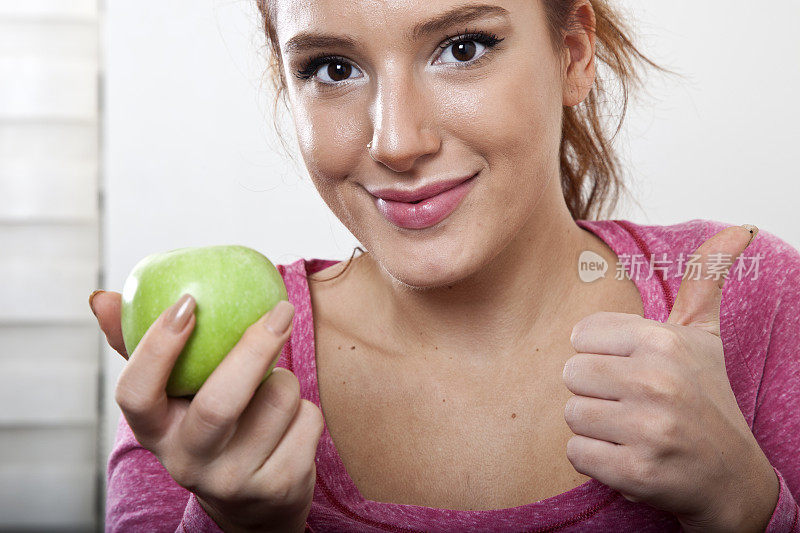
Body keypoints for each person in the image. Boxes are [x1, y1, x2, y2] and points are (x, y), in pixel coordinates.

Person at [92, 1, 800, 531]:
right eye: (331, 69)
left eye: (462, 47)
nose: (397, 140)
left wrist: (744, 501)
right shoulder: (213, 388)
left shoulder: (753, 301)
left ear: (574, 55)